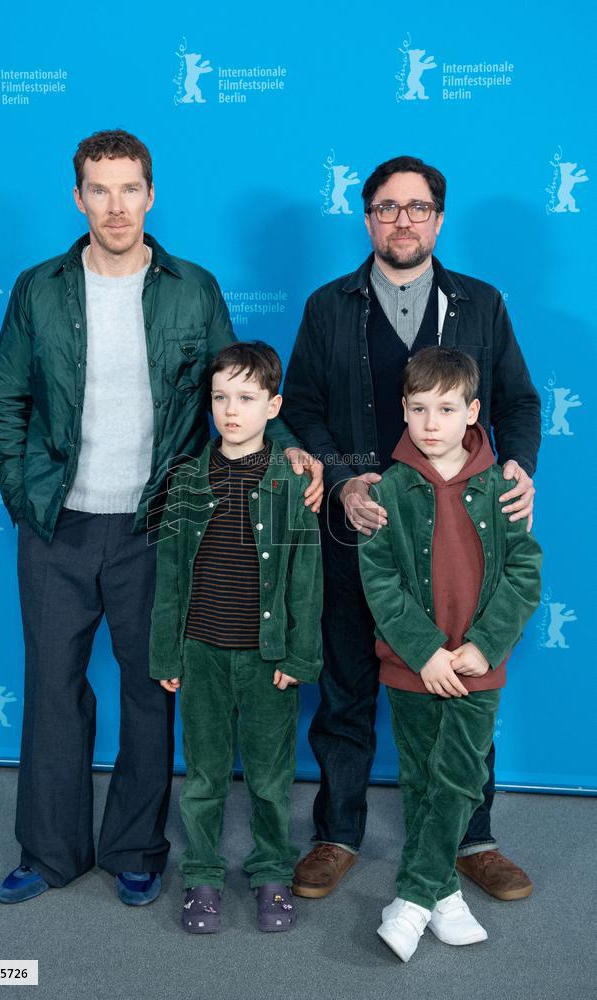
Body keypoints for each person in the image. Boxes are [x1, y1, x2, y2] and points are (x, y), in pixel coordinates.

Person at [0, 130, 322, 906]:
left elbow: (240, 390)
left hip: (157, 527)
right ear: (78, 197)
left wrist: (294, 449)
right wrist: (22, 496)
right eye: (99, 190)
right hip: (58, 526)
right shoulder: (36, 288)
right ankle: (48, 851)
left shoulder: (191, 288)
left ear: (150, 194)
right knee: (51, 688)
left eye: (129, 188)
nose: (115, 205)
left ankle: (137, 847)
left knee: (151, 688)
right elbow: (8, 399)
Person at [283, 155, 541, 901]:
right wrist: (340, 478)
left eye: (418, 207)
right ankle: (337, 832)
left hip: (460, 540)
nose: (403, 220)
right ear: (367, 218)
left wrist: (517, 467)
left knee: (465, 681)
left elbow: (518, 404)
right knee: (346, 689)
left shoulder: (482, 304)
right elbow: (298, 407)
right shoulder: (328, 306)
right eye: (388, 207)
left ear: (439, 218)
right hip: (356, 529)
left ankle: (473, 838)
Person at [358, 347, 541, 961]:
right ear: (403, 412)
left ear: (472, 412)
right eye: (418, 409)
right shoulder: (389, 489)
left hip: (478, 668)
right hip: (413, 666)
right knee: (420, 780)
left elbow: (524, 575)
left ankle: (411, 896)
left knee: (461, 776)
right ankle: (443, 895)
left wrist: (483, 648)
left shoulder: (502, 487)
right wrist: (426, 653)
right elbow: (379, 580)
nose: (431, 423)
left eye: (445, 408)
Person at [150, 342, 323, 933]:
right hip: (200, 652)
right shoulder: (185, 480)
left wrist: (301, 654)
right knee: (202, 775)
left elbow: (306, 577)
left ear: (273, 406)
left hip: (267, 657)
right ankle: (201, 875)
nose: (231, 410)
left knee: (272, 777)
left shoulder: (291, 481)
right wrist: (166, 652)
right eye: (221, 397)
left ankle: (272, 870)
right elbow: (171, 573)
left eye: (246, 398)